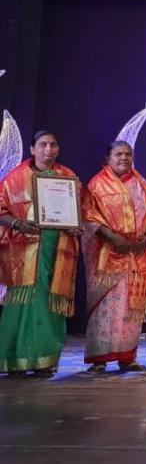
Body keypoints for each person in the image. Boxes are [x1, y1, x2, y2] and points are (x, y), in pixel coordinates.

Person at [0, 131, 80, 376]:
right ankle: (14, 360)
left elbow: (79, 212)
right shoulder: (14, 178)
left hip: (57, 248)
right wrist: (18, 224)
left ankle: (45, 361)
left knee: (49, 303)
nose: (48, 149)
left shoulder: (68, 177)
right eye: (43, 144)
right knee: (21, 305)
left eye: (53, 145)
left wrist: (75, 225)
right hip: (23, 251)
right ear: (32, 149)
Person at [82, 141, 146, 373]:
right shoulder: (97, 184)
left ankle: (127, 357)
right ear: (108, 158)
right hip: (108, 255)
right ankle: (99, 359)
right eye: (118, 154)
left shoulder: (141, 182)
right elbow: (89, 215)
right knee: (106, 308)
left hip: (136, 254)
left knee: (131, 310)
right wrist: (114, 238)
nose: (124, 158)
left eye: (128, 154)